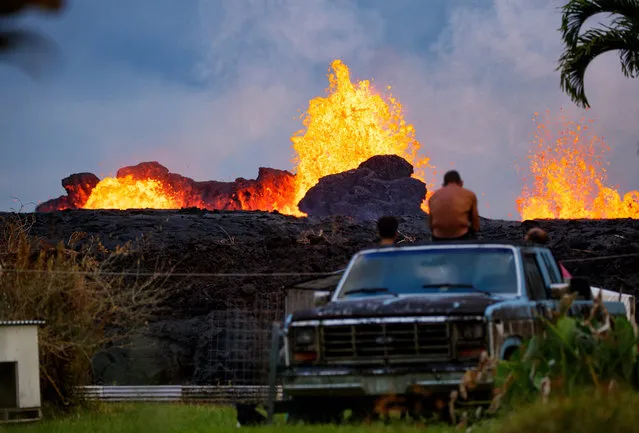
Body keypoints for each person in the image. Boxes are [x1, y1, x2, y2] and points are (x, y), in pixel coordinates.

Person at [428, 170, 480, 241]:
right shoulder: (469, 194)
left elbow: (431, 222)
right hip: (461, 235)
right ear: (460, 183)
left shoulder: (433, 196)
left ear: (443, 184)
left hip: (438, 236)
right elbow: (475, 221)